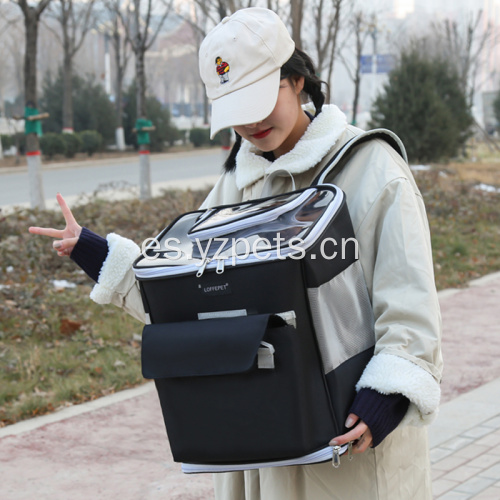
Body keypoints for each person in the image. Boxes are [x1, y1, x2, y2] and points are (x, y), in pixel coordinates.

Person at [29, 7, 442, 500]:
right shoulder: (236, 189)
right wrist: (96, 253)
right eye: (234, 109)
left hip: (349, 448)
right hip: (262, 445)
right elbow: (186, 302)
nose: (249, 121)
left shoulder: (373, 171)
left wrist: (387, 397)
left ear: (295, 80)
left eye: (260, 100)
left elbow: (410, 307)